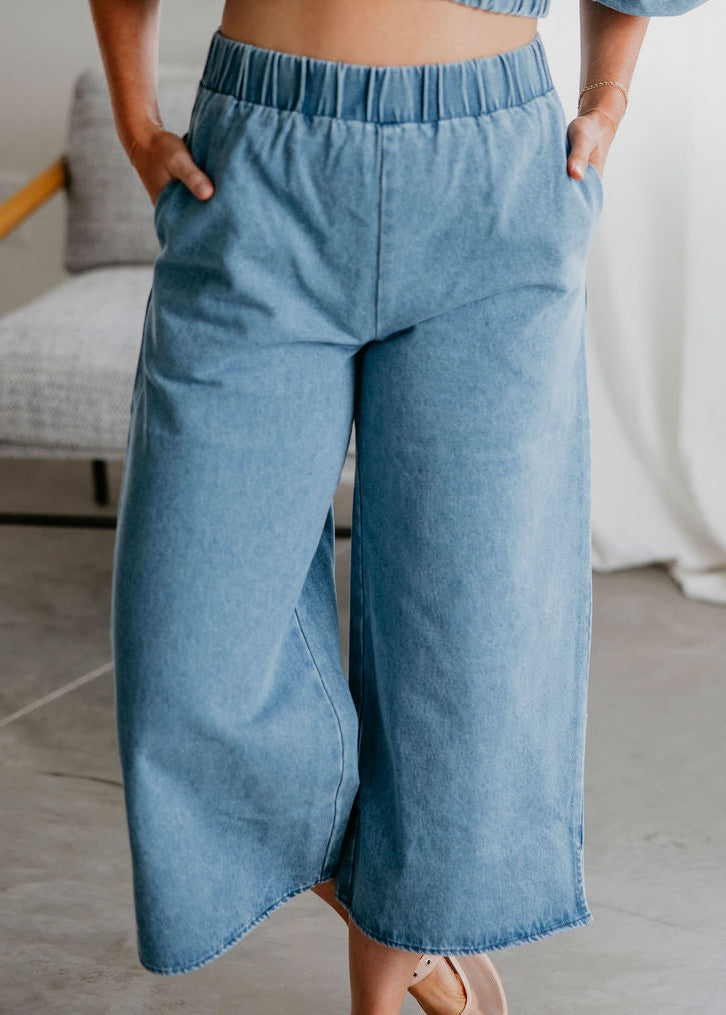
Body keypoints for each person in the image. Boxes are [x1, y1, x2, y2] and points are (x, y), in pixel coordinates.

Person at [90, 1, 709, 1013]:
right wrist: (134, 116)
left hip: (494, 174)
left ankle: (391, 969)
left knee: (465, 647)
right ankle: (400, 885)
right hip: (261, 163)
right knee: (185, 643)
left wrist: (608, 98)